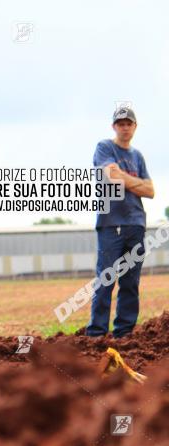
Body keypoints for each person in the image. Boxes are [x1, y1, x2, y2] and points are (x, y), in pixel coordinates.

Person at [85, 106, 155, 338]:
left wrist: (124, 179)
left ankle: (124, 333)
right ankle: (97, 333)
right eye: (120, 124)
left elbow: (151, 190)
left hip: (136, 224)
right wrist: (135, 182)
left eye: (129, 123)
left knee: (130, 282)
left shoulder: (138, 156)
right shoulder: (105, 147)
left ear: (135, 127)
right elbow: (111, 176)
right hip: (110, 223)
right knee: (106, 279)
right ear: (114, 126)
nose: (125, 127)